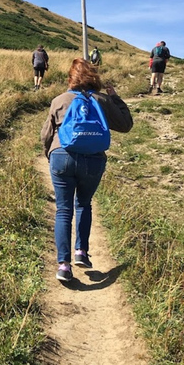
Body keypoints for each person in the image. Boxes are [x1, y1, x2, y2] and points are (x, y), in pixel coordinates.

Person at [41, 58, 133, 282]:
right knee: (83, 204)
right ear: (94, 77)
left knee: (63, 210)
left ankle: (64, 265)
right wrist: (115, 98)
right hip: (93, 160)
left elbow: (46, 134)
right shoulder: (102, 100)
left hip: (61, 157)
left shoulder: (59, 100)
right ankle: (81, 251)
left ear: (71, 78)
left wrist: (50, 154)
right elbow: (125, 125)